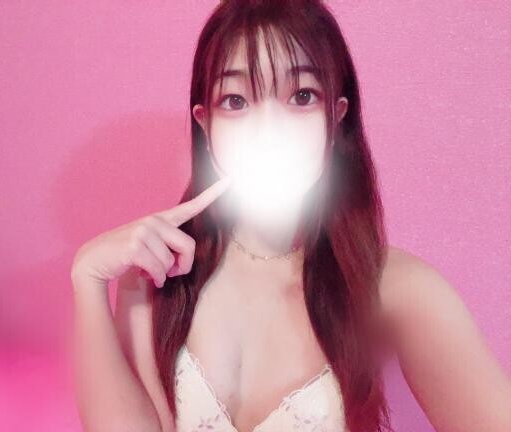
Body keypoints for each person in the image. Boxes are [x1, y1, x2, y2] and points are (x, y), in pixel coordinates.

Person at [70, 1, 511, 432]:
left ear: (336, 117)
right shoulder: (160, 271)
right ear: (205, 123)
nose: (269, 130)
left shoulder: (397, 286)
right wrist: (87, 278)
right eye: (236, 100)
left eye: (302, 96)